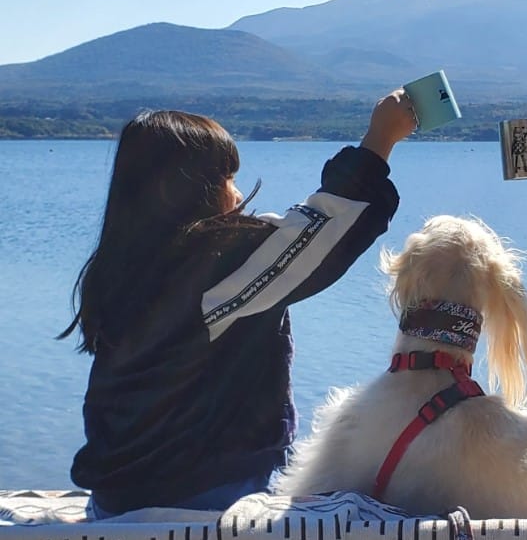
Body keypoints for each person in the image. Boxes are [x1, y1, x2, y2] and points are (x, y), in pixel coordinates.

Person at [60, 90, 417, 518]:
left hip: (115, 497)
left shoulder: (119, 265)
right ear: (190, 187)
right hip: (201, 496)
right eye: (226, 178)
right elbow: (321, 237)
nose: (236, 190)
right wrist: (379, 143)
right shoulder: (213, 268)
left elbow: (284, 239)